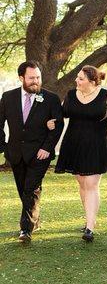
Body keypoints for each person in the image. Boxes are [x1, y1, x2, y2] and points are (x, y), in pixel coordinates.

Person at [51, 65, 107, 242]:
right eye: (78, 78)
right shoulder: (71, 95)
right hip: (74, 143)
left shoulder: (106, 96)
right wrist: (52, 121)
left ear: (92, 81)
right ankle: (90, 218)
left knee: (91, 184)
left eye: (81, 78)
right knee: (82, 182)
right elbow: (62, 114)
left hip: (97, 145)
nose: (77, 81)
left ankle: (89, 227)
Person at [0, 61, 64, 243]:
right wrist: (3, 146)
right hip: (16, 153)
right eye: (31, 78)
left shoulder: (51, 98)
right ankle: (34, 219)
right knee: (24, 189)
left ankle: (25, 230)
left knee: (30, 188)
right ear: (21, 78)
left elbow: (58, 125)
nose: (36, 81)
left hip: (40, 153)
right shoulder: (8, 97)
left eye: (38, 77)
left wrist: (47, 148)